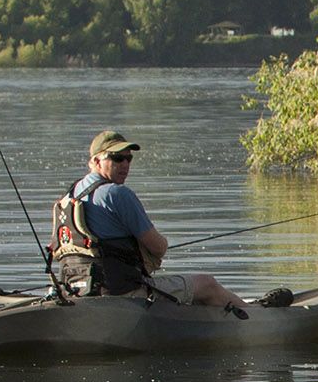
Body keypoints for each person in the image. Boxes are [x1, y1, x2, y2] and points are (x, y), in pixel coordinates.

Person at [52, 131, 258, 314]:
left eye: (128, 159)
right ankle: (259, 317)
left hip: (75, 291)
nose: (125, 164)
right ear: (96, 161)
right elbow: (158, 248)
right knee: (207, 284)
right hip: (122, 293)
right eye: (117, 158)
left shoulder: (66, 199)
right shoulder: (116, 194)